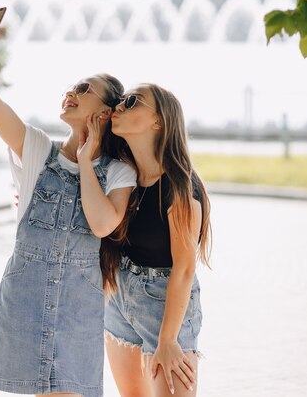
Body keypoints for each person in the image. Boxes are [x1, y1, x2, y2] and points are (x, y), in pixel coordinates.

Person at [0, 5, 136, 397]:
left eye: (83, 89)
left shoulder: (119, 173)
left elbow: (103, 225)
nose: (71, 92)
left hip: (77, 312)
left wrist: (86, 161)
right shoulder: (37, 149)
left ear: (104, 113)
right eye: (72, 86)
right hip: (26, 301)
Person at [102, 84, 212, 397]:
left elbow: (184, 270)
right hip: (119, 298)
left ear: (158, 121)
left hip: (165, 304)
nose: (120, 106)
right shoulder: (123, 175)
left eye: (132, 101)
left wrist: (168, 340)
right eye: (120, 101)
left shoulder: (180, 186)